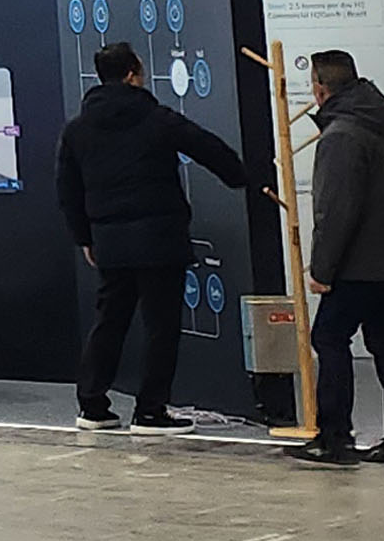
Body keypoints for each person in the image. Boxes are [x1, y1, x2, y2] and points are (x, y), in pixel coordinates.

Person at [55, 41, 257, 431]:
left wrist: (85, 238)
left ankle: (92, 405)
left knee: (109, 322)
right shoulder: (157, 118)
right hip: (160, 239)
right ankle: (150, 410)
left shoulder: (77, 129)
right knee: (160, 328)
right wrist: (243, 178)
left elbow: (67, 189)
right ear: (134, 74)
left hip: (110, 241)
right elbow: (209, 148)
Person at [293, 49, 384, 469]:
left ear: (320, 88)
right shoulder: (378, 126)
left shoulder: (341, 135)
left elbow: (335, 210)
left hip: (354, 263)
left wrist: (322, 269)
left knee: (329, 338)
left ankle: (334, 438)